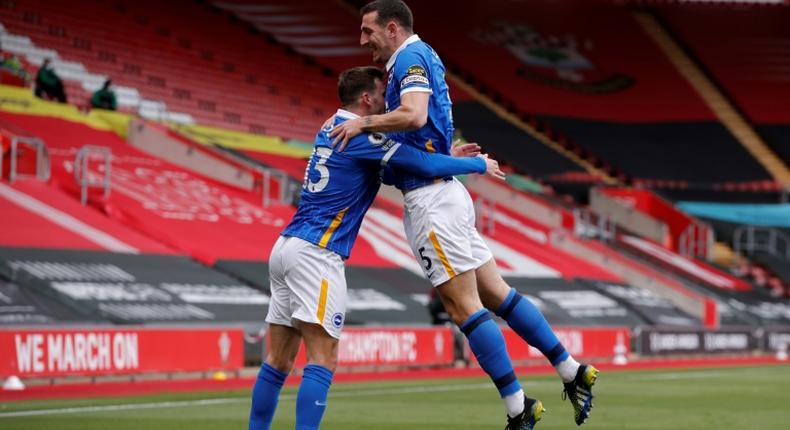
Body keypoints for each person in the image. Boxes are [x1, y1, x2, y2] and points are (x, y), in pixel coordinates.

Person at [329, 1, 599, 428]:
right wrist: (449, 154)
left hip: (432, 202)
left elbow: (415, 115)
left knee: (463, 309)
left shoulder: (409, 58)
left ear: (393, 28)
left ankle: (518, 408)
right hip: (447, 193)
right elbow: (426, 127)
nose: (363, 41)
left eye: (368, 31)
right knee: (498, 295)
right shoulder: (425, 54)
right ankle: (570, 369)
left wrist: (365, 124)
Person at [248, 66, 506, 430]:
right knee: (323, 359)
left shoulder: (330, 126)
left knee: (278, 360)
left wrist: (447, 152)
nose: (389, 101)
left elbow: (401, 168)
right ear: (367, 99)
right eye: (383, 94)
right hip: (318, 254)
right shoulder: (362, 138)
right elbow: (419, 162)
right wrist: (475, 164)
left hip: (286, 246)